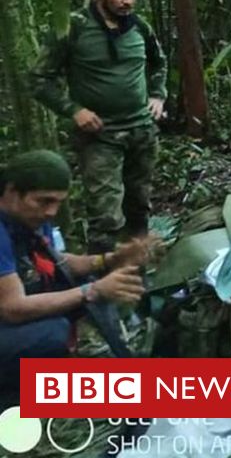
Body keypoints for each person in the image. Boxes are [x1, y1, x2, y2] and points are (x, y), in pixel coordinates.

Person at [33, 0, 166, 254]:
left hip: (141, 131)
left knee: (139, 206)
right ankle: (103, 287)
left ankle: (138, 275)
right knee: (106, 217)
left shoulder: (140, 27)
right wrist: (73, 110)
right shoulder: (73, 28)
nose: (127, 0)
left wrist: (157, 95)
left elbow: (159, 63)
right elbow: (40, 79)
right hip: (100, 136)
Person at [0, 150, 154, 400]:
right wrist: (92, 291)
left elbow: (57, 263)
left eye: (58, 202)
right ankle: (20, 395)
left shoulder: (30, 217)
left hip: (14, 302)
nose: (52, 211)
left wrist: (109, 260)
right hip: (9, 311)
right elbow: (12, 307)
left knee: (86, 285)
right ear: (11, 191)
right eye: (44, 201)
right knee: (53, 333)